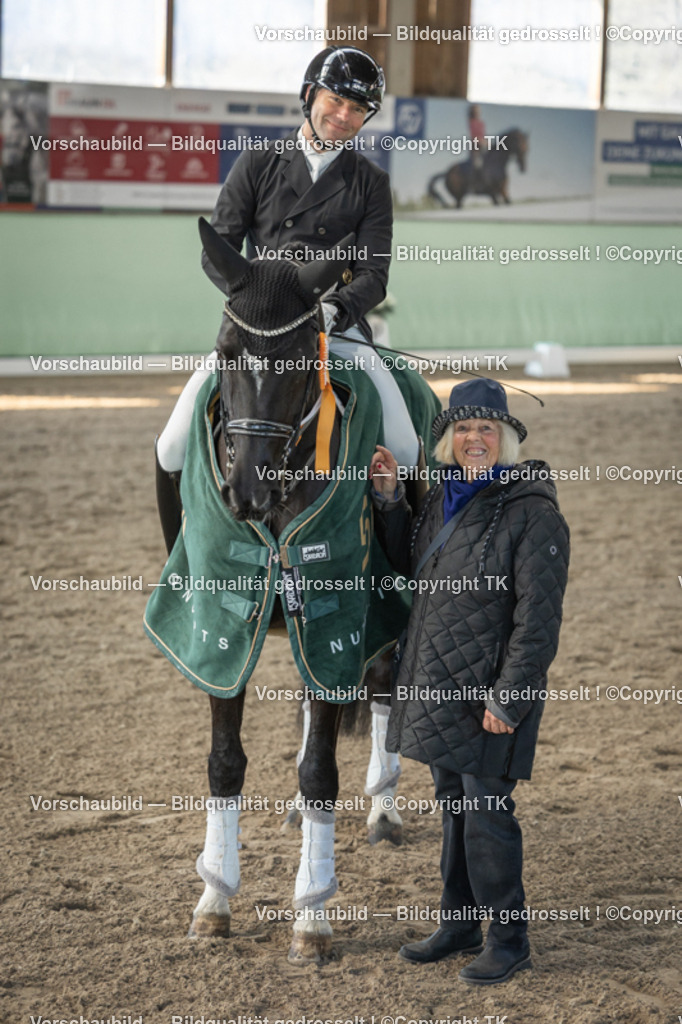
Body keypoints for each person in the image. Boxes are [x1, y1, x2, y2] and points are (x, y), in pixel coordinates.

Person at [156, 45, 418, 548]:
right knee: (171, 445)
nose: (344, 116)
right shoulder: (258, 161)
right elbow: (219, 250)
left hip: (331, 329)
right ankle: (178, 565)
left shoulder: (371, 183)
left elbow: (373, 274)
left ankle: (405, 567)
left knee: (405, 446)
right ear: (308, 95)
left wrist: (336, 307)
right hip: (258, 331)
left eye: (357, 109)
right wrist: (256, 299)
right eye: (335, 101)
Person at [369, 377, 570, 985]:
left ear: (506, 438)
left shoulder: (533, 513)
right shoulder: (439, 497)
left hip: (490, 694)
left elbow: (538, 623)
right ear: (449, 439)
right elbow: (413, 562)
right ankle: (459, 923)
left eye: (486, 428)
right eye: (463, 428)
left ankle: (508, 941)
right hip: (436, 684)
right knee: (454, 808)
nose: (474, 438)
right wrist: (389, 502)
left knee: (488, 811)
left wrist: (508, 699)